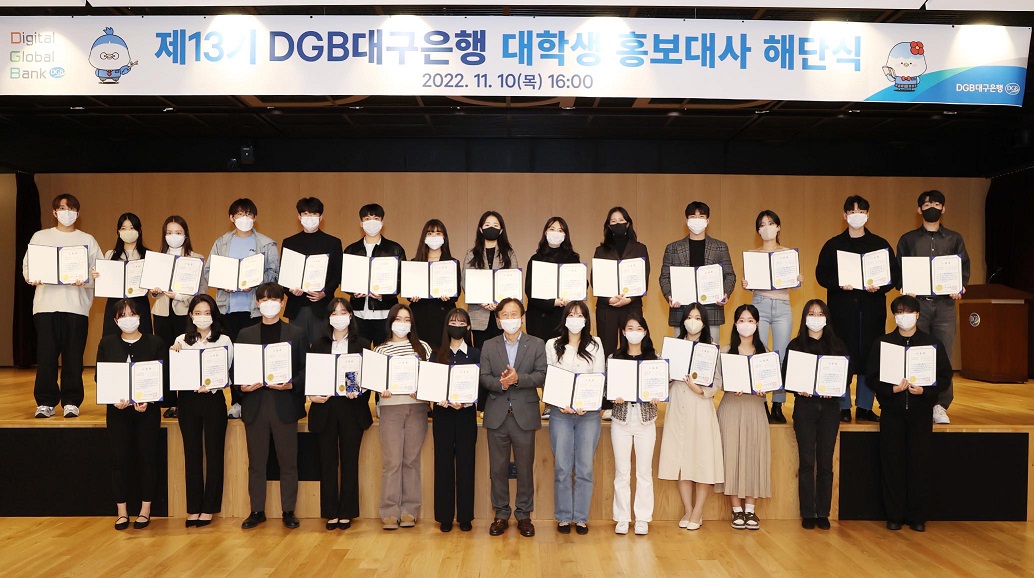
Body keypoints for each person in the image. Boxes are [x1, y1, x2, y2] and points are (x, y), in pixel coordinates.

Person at [866, 295, 952, 532]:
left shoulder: (931, 344)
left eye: (908, 312)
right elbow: (871, 377)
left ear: (917, 315)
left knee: (919, 463)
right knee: (892, 463)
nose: (904, 316)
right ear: (894, 316)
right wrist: (891, 390)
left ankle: (917, 516)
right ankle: (894, 515)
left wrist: (925, 391)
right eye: (899, 312)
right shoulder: (883, 343)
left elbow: (944, 377)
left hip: (920, 412)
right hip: (892, 411)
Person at [815, 195, 899, 423]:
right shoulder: (833, 245)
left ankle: (864, 406)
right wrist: (839, 284)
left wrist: (880, 286)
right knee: (842, 355)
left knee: (869, 356)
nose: (856, 216)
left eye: (861, 212)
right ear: (844, 215)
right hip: (842, 310)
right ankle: (842, 406)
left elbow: (893, 275)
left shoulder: (880, 245)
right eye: (852, 212)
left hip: (871, 309)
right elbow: (821, 274)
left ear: (868, 215)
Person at [23, 193, 102, 419]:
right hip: (45, 306)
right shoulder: (40, 237)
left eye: (72, 209)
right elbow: (27, 267)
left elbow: (100, 273)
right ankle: (45, 402)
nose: (67, 213)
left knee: (73, 357)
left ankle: (71, 401)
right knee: (46, 357)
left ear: (78, 213)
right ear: (54, 212)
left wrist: (85, 280)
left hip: (75, 307)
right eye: (62, 208)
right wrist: (33, 277)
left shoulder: (87, 240)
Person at [236, 283, 307, 531]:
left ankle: (289, 510)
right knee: (256, 462)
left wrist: (291, 384)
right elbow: (236, 371)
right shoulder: (245, 334)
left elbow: (305, 370)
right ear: (257, 303)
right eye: (264, 299)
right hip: (255, 404)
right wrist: (241, 387)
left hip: (284, 403)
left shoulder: (296, 333)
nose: (269, 303)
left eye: (274, 299)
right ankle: (257, 510)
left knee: (288, 462)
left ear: (283, 302)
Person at [896, 190, 969, 425]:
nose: (932, 208)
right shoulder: (908, 240)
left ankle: (940, 405)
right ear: (919, 210)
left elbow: (963, 269)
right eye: (927, 205)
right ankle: (918, 403)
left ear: (943, 208)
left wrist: (959, 286)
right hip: (918, 306)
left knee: (944, 354)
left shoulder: (954, 239)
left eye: (937, 204)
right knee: (917, 353)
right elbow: (899, 271)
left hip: (945, 305)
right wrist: (904, 286)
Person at [204, 198, 280, 419]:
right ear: (231, 218)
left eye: (248, 214)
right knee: (232, 357)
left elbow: (274, 275)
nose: (244, 218)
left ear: (255, 217)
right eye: (239, 214)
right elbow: (209, 271)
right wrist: (223, 282)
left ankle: (258, 401)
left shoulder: (266, 243)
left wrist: (257, 282)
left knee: (254, 356)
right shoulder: (221, 243)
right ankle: (237, 401)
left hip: (255, 310)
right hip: (227, 309)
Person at [95, 299, 166, 531]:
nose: (128, 319)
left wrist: (148, 400)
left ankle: (145, 510)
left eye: (132, 314)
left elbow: (162, 378)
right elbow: (100, 377)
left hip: (147, 411)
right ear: (115, 320)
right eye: (123, 315)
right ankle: (122, 512)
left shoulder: (155, 342)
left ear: (140, 317)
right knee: (119, 460)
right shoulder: (107, 343)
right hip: (118, 412)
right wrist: (114, 398)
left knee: (148, 459)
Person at [479, 297, 547, 538]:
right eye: (505, 315)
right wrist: (501, 383)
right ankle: (501, 513)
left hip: (524, 415)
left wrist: (519, 379)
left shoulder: (536, 344)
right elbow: (484, 377)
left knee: (525, 468)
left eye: (514, 314)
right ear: (498, 320)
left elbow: (542, 375)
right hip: (497, 413)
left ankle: (524, 515)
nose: (510, 319)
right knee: (497, 468)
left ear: (523, 317)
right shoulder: (489, 345)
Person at [782, 299, 849, 530]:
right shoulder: (795, 345)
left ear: (827, 318)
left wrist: (835, 389)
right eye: (811, 313)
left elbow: (846, 375)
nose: (816, 318)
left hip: (830, 409)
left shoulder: (837, 345)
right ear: (804, 318)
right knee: (807, 461)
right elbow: (786, 375)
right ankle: (807, 512)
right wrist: (796, 388)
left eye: (820, 314)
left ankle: (823, 512)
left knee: (826, 462)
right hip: (805, 408)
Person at [657, 303, 724, 531]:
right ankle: (687, 509)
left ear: (704, 323)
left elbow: (717, 381)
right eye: (689, 317)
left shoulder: (711, 349)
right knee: (681, 458)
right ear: (683, 320)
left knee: (702, 459)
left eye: (697, 317)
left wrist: (701, 390)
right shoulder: (674, 347)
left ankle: (698, 511)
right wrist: (667, 376)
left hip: (701, 405)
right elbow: (661, 378)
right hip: (678, 404)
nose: (692, 321)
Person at [308, 298, 372, 531]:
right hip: (325, 407)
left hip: (351, 408)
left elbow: (368, 378)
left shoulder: (362, 343)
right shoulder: (318, 344)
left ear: (351, 316)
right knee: (327, 461)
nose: (339, 317)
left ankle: (347, 511)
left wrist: (360, 391)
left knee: (349, 461)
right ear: (328, 318)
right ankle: (330, 512)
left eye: (343, 312)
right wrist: (311, 395)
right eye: (334, 313)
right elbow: (311, 375)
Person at [171, 294, 233, 528]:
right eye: (198, 313)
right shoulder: (181, 340)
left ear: (214, 315)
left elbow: (227, 372)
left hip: (213, 399)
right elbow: (177, 372)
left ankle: (209, 508)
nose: (202, 317)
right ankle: (194, 507)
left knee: (214, 454)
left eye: (207, 313)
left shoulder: (224, 340)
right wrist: (175, 354)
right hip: (188, 401)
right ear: (190, 315)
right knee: (192, 455)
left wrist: (213, 384)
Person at [545, 301, 604, 535]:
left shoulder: (595, 344)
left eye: (580, 315)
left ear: (586, 319)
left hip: (588, 415)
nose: (575, 319)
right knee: (562, 466)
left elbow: (599, 377)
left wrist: (586, 404)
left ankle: (580, 517)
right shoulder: (552, 345)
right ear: (565, 319)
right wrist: (562, 402)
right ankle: (563, 516)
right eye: (571, 314)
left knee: (585, 468)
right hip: (560, 413)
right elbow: (550, 378)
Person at [740, 210, 803, 424]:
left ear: (778, 227)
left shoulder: (788, 254)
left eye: (771, 223)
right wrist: (747, 284)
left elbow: (793, 283)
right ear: (758, 230)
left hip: (783, 306)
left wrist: (797, 279)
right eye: (762, 224)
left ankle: (778, 404)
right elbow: (751, 284)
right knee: (760, 354)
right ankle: (762, 402)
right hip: (760, 304)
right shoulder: (752, 254)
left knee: (781, 355)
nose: (766, 228)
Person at [374, 304, 432, 530]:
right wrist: (381, 389)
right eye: (398, 319)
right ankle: (389, 511)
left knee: (411, 461)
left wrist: (423, 390)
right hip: (390, 408)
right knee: (392, 462)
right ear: (390, 322)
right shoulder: (380, 350)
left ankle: (409, 510)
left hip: (417, 409)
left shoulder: (423, 347)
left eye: (407, 319)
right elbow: (375, 381)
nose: (402, 323)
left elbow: (430, 378)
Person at [716, 304, 772, 530]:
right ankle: (736, 509)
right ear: (735, 323)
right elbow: (718, 382)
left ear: (757, 324)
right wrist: (731, 386)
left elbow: (770, 384)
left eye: (750, 320)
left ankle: (750, 509)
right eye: (741, 320)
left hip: (755, 409)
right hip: (731, 408)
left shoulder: (765, 353)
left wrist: (764, 389)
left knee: (754, 456)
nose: (745, 325)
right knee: (732, 455)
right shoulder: (725, 351)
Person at [150, 215, 207, 419]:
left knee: (185, 355)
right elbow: (150, 288)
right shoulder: (157, 258)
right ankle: (169, 402)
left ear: (185, 234)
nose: (173, 236)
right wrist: (154, 291)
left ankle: (185, 400)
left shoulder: (196, 258)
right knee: (165, 355)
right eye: (169, 232)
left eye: (178, 232)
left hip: (185, 312)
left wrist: (181, 296)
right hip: (162, 313)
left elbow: (201, 289)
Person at [609, 312, 660, 536]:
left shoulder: (655, 359)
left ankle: (642, 518)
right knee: (622, 472)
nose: (634, 332)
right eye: (630, 328)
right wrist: (614, 396)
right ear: (623, 332)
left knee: (644, 472)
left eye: (639, 328)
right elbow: (607, 388)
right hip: (621, 421)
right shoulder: (615, 358)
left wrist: (658, 395)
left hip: (645, 421)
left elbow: (661, 386)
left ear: (645, 332)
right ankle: (622, 517)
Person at [431, 308, 480, 533]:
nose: (457, 326)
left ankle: (465, 516)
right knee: (443, 464)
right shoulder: (437, 354)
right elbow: (430, 385)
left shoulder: (475, 354)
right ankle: (444, 516)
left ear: (468, 327)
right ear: (446, 326)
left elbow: (480, 386)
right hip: (442, 415)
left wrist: (467, 401)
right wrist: (437, 398)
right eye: (453, 322)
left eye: (462, 323)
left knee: (466, 464)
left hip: (466, 415)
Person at [660, 200, 736, 346]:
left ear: (708, 220)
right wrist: (669, 295)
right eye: (692, 217)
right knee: (680, 352)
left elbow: (730, 275)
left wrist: (725, 293)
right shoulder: (673, 248)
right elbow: (664, 277)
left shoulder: (720, 247)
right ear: (686, 220)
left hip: (711, 308)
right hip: (681, 309)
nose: (697, 220)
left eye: (701, 217)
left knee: (709, 353)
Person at [281, 197, 343, 345]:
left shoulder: (333, 242)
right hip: (297, 306)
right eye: (305, 214)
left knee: (321, 348)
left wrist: (325, 292)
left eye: (314, 214)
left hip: (322, 306)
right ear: (299, 217)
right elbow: (284, 273)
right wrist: (290, 290)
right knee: (297, 349)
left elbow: (337, 274)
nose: (309, 218)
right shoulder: (289, 242)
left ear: (321, 217)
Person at [344, 203, 406, 347]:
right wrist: (354, 292)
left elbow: (402, 280)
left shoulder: (395, 249)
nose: (371, 222)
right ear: (361, 223)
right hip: (358, 314)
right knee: (359, 354)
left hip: (386, 314)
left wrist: (384, 294)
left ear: (382, 222)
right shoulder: (351, 250)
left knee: (384, 353)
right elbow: (345, 278)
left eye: (376, 218)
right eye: (367, 219)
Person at [463, 211, 519, 349]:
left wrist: (499, 303)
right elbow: (465, 281)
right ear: (481, 229)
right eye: (487, 225)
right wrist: (481, 301)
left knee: (503, 354)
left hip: (503, 314)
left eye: (495, 225)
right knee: (482, 354)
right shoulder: (471, 254)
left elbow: (514, 282)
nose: (491, 228)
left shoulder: (509, 254)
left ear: (501, 230)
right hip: (479, 314)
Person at [96, 212, 154, 337]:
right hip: (115, 303)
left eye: (132, 228)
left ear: (139, 230)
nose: (128, 232)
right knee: (113, 341)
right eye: (123, 228)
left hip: (139, 303)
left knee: (143, 342)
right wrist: (98, 277)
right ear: (118, 232)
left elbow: (153, 283)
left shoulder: (148, 255)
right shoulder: (110, 254)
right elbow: (105, 283)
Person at [525, 216, 581, 341]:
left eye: (560, 230)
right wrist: (553, 302)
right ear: (546, 232)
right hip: (539, 319)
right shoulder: (536, 259)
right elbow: (529, 290)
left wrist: (571, 297)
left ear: (565, 235)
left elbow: (582, 284)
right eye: (552, 229)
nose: (556, 233)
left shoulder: (572, 259)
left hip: (563, 317)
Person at [409, 219, 460, 351]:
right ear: (424, 237)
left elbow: (456, 294)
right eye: (430, 233)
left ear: (444, 237)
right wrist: (412, 296)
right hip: (420, 314)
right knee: (420, 352)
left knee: (441, 353)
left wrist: (449, 296)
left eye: (438, 233)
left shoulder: (452, 263)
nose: (434, 237)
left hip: (442, 315)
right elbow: (409, 291)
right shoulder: (414, 263)